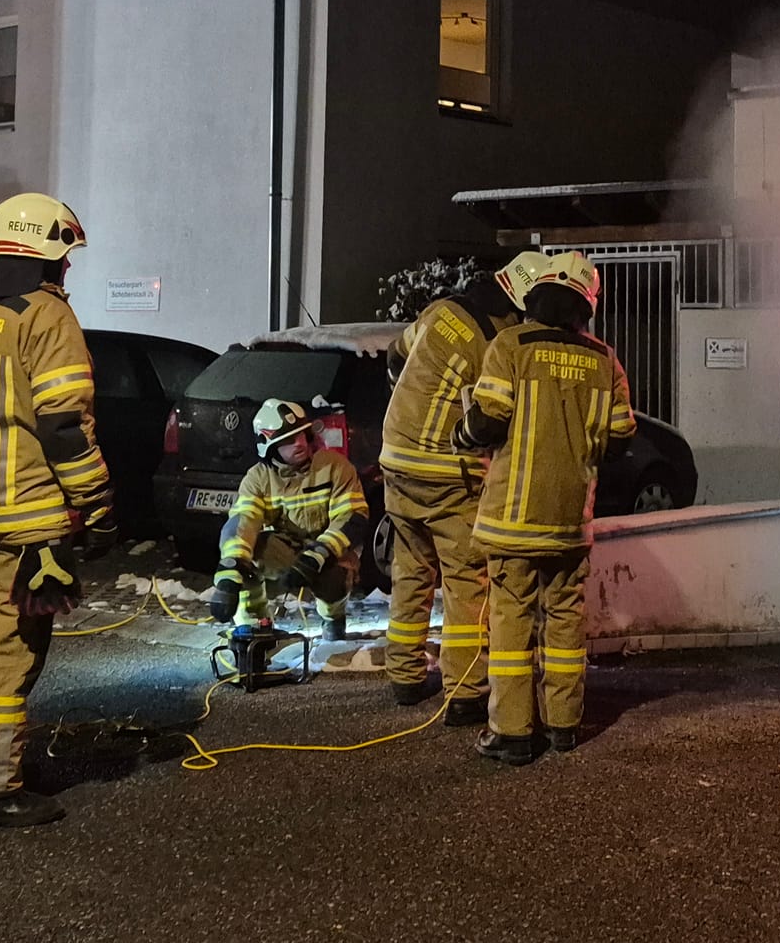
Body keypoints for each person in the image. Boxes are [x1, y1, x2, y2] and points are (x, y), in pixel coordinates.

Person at [0, 192, 115, 829]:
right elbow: (64, 424)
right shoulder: (44, 316)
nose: (68, 270)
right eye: (66, 257)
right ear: (49, 254)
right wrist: (96, 502)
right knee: (11, 649)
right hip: (32, 516)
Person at [455, 251, 635, 764]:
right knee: (564, 623)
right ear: (586, 307)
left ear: (538, 296)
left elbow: (487, 422)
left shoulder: (510, 345)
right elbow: (622, 439)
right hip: (568, 522)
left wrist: (460, 433)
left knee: (511, 622)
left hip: (513, 521)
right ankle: (563, 726)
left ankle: (512, 732)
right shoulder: (606, 361)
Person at [380, 251, 547, 719]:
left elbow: (396, 356)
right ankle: (466, 691)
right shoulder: (496, 343)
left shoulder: (441, 311)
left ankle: (404, 677)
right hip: (445, 473)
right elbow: (494, 415)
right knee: (465, 582)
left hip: (396, 461)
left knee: (410, 571)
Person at [209, 398, 368, 640]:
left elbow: (352, 517)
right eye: (288, 440)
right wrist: (229, 572)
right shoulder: (258, 478)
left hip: (330, 551)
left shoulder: (334, 466)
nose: (299, 443)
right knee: (248, 559)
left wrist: (317, 555)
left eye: (302, 435)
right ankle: (255, 628)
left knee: (334, 581)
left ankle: (333, 620)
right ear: (269, 446)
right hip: (287, 547)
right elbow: (243, 521)